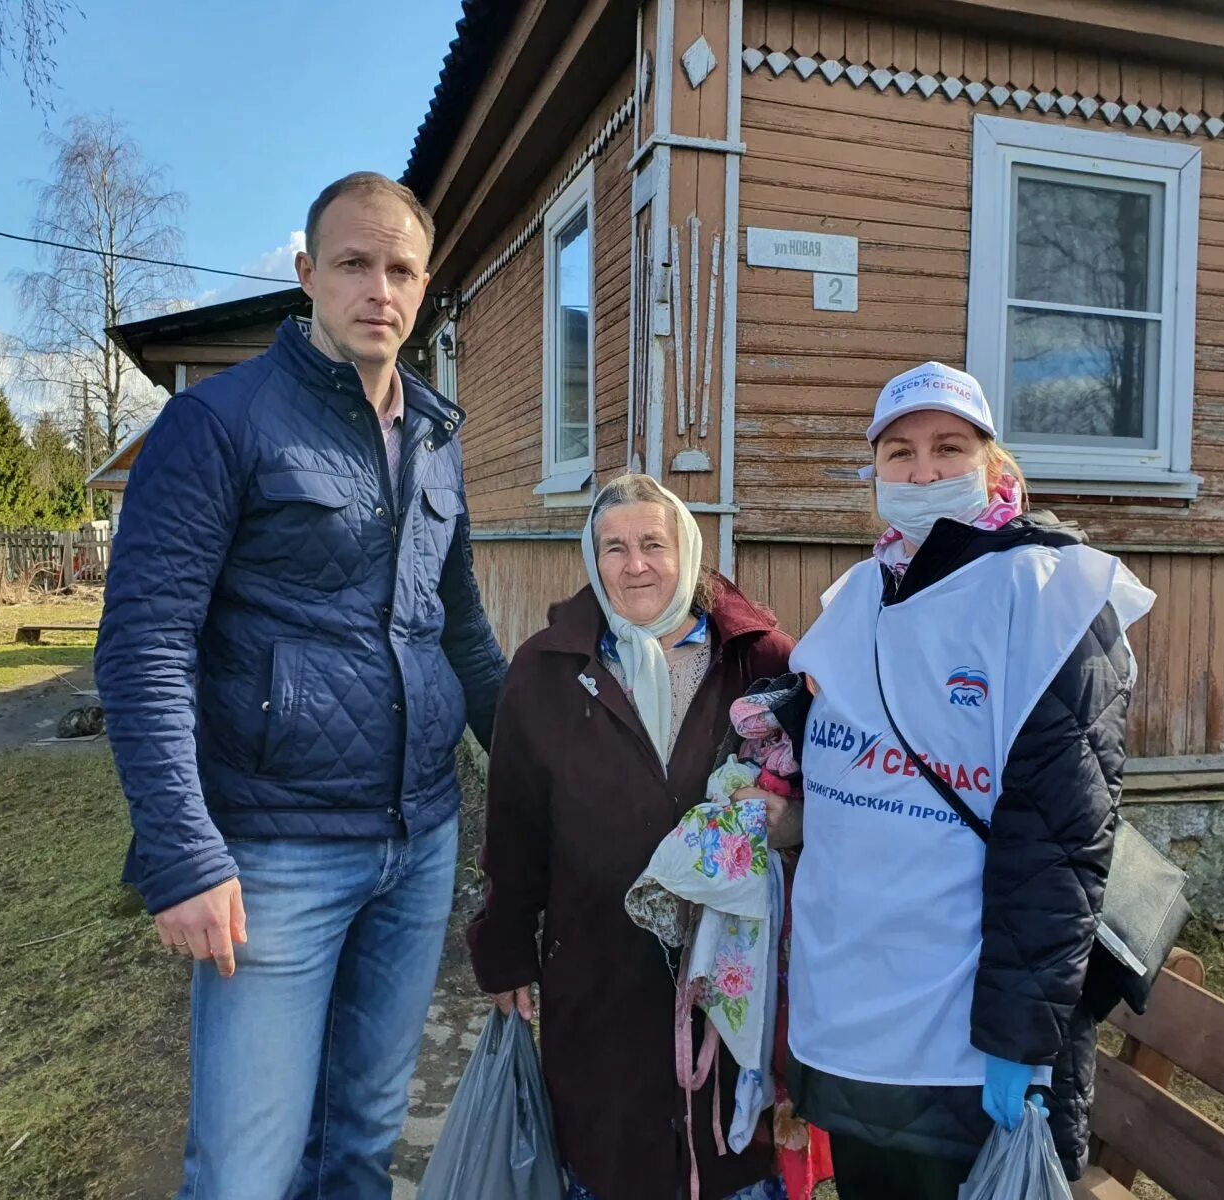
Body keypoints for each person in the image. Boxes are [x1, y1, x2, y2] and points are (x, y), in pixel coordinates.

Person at [94, 171, 506, 1199]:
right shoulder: (221, 424)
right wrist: (183, 853)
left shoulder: (437, 443)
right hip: (274, 851)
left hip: (418, 844)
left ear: (423, 286)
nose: (379, 288)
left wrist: (558, 772)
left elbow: (461, 634)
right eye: (355, 264)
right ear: (307, 274)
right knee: (246, 1170)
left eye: (401, 268)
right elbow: (145, 644)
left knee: (362, 1141)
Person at [779, 361, 1154, 1198]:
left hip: (970, 1045)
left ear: (996, 466)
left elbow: (1060, 840)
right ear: (874, 474)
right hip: (858, 1024)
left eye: (949, 448)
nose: (923, 472)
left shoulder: (1049, 593)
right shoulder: (863, 594)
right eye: (899, 453)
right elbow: (847, 725)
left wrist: (1022, 1039)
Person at [467, 473, 797, 1200]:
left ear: (687, 551)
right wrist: (506, 951)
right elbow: (517, 825)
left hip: (728, 976)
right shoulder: (547, 672)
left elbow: (815, 786)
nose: (635, 564)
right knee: (609, 1149)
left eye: (653, 543)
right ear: (592, 559)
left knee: (729, 1160)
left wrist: (793, 822)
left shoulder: (758, 659)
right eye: (613, 548)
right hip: (595, 966)